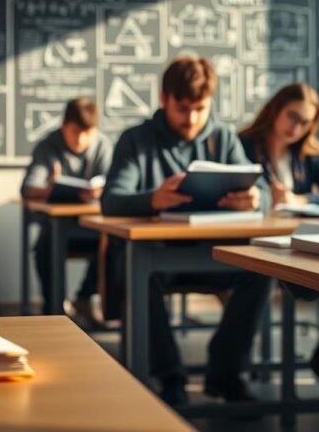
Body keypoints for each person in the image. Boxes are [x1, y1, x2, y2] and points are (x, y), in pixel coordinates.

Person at [101, 56, 272, 406]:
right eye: (183, 108)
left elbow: (265, 193)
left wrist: (255, 199)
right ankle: (170, 377)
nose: (192, 119)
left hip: (215, 253)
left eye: (200, 109)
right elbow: (111, 201)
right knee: (134, 270)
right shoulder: (135, 140)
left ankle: (225, 373)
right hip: (158, 256)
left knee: (263, 268)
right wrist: (153, 199)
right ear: (163, 99)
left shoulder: (223, 136)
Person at [20, 97, 113, 323]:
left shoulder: (103, 145)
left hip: (94, 227)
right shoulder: (48, 146)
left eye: (87, 132)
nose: (81, 139)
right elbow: (28, 189)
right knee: (44, 247)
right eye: (75, 131)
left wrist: (102, 191)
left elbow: (114, 184)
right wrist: (48, 188)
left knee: (114, 242)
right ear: (64, 126)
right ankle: (54, 310)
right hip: (57, 227)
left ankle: (85, 297)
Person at [239, 82, 319, 208]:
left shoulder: (310, 152)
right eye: (292, 116)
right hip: (255, 225)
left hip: (297, 226)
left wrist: (299, 200)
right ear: (275, 110)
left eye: (305, 123)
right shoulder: (242, 145)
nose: (296, 128)